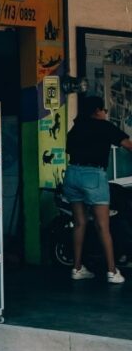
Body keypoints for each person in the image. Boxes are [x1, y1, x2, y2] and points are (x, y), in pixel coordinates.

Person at [63, 95, 131, 284]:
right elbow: (128, 145)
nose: (105, 113)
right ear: (97, 111)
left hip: (72, 174)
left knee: (79, 223)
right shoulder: (105, 126)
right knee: (103, 225)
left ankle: (77, 268)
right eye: (104, 109)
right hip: (93, 175)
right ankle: (112, 271)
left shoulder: (76, 128)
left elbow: (70, 151)